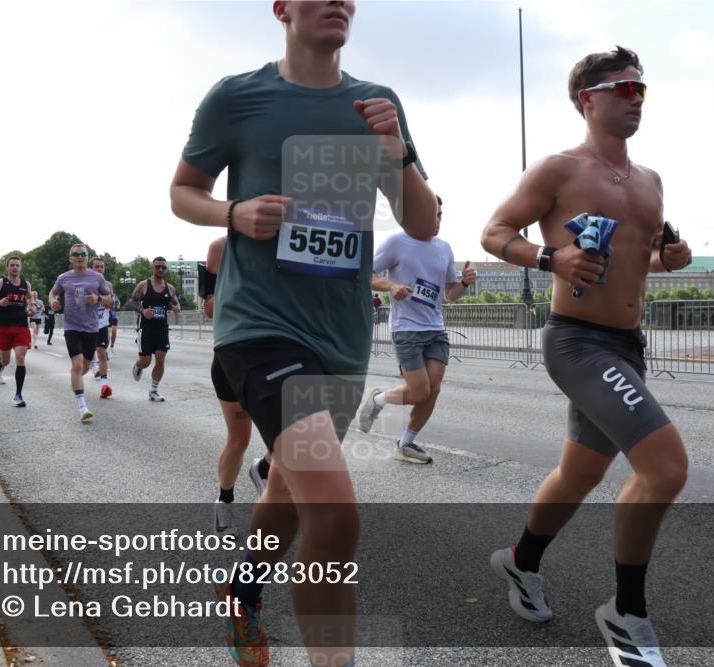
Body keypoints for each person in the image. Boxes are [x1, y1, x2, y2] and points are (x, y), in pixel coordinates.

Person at [170, 2, 438, 665]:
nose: (339, 2)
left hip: (341, 334)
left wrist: (397, 153)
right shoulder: (237, 97)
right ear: (282, 9)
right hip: (260, 326)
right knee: (337, 512)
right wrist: (234, 211)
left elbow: (425, 222)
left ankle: (243, 588)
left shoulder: (378, 101)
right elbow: (182, 192)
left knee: (290, 489)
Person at [480, 46, 691, 667]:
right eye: (624, 88)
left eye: (642, 89)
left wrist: (667, 261)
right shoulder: (559, 169)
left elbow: (642, 257)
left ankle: (521, 563)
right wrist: (551, 258)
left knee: (581, 473)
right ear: (588, 100)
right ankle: (627, 614)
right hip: (576, 340)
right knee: (666, 467)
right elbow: (494, 233)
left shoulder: (650, 181)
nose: (635, 98)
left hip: (627, 345)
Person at [357, 195, 476, 463]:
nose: (438, 220)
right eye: (435, 214)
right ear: (417, 214)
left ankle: (405, 444)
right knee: (419, 392)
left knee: (433, 390)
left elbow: (451, 293)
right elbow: (365, 273)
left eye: (441, 215)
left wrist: (466, 284)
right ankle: (377, 400)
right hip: (407, 329)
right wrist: (391, 286)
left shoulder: (444, 248)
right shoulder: (396, 243)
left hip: (436, 328)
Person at [203, 236, 272, 536]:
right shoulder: (221, 247)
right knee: (239, 439)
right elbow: (208, 307)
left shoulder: (290, 243)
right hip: (234, 356)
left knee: (290, 439)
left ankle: (264, 471)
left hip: (276, 356)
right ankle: (225, 500)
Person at [49, 243, 111, 422]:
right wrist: (53, 301)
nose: (80, 257)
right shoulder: (64, 278)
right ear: (71, 259)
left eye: (84, 254)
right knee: (77, 365)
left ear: (87, 256)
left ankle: (75, 379)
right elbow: (52, 294)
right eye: (76, 254)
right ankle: (83, 406)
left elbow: (109, 299)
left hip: (92, 327)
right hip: (72, 327)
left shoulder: (97, 277)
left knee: (83, 367)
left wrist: (98, 298)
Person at [126, 257, 180, 402]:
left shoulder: (170, 288)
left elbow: (176, 302)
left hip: (162, 328)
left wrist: (176, 308)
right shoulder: (144, 285)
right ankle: (138, 366)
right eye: (158, 267)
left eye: (163, 267)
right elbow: (130, 303)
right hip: (146, 328)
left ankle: (153, 390)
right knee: (146, 361)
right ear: (153, 268)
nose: (161, 269)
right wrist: (143, 311)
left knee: (161, 358)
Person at [0, 257, 34, 407]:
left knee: (20, 358)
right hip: (4, 327)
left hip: (21, 326)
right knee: (6, 360)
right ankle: (1, 363)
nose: (15, 268)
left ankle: (18, 395)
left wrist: (31, 306)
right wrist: (0, 303)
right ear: (7, 268)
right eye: (12, 265)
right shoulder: (0, 283)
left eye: (17, 265)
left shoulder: (25, 284)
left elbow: (29, 297)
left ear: (21, 267)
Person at [88, 257, 115, 399]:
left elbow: (110, 302)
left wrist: (99, 299)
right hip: (86, 325)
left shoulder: (107, 285)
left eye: (101, 267)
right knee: (85, 360)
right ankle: (91, 366)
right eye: (96, 267)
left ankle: (105, 385)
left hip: (102, 324)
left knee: (101, 352)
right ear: (91, 268)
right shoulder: (84, 283)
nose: (99, 269)